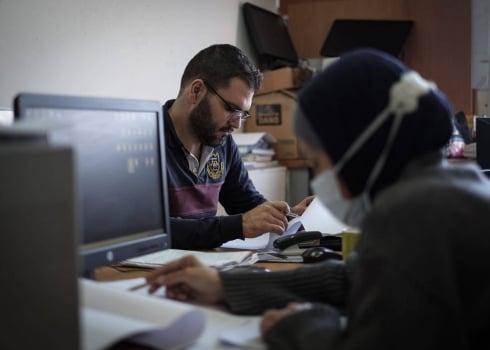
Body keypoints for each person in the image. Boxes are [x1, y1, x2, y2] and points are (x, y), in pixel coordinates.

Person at [146, 48, 490, 349]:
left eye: (317, 163)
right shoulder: (453, 188)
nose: (321, 178)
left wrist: (297, 325)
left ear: (356, 150)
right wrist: (225, 284)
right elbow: (353, 278)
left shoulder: (411, 213)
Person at [164, 44, 312, 249]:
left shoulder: (221, 143)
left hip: (200, 268)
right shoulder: (145, 143)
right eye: (231, 109)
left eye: (242, 114)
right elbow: (151, 231)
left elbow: (246, 203)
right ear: (196, 91)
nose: (236, 124)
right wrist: (236, 226)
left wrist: (290, 215)